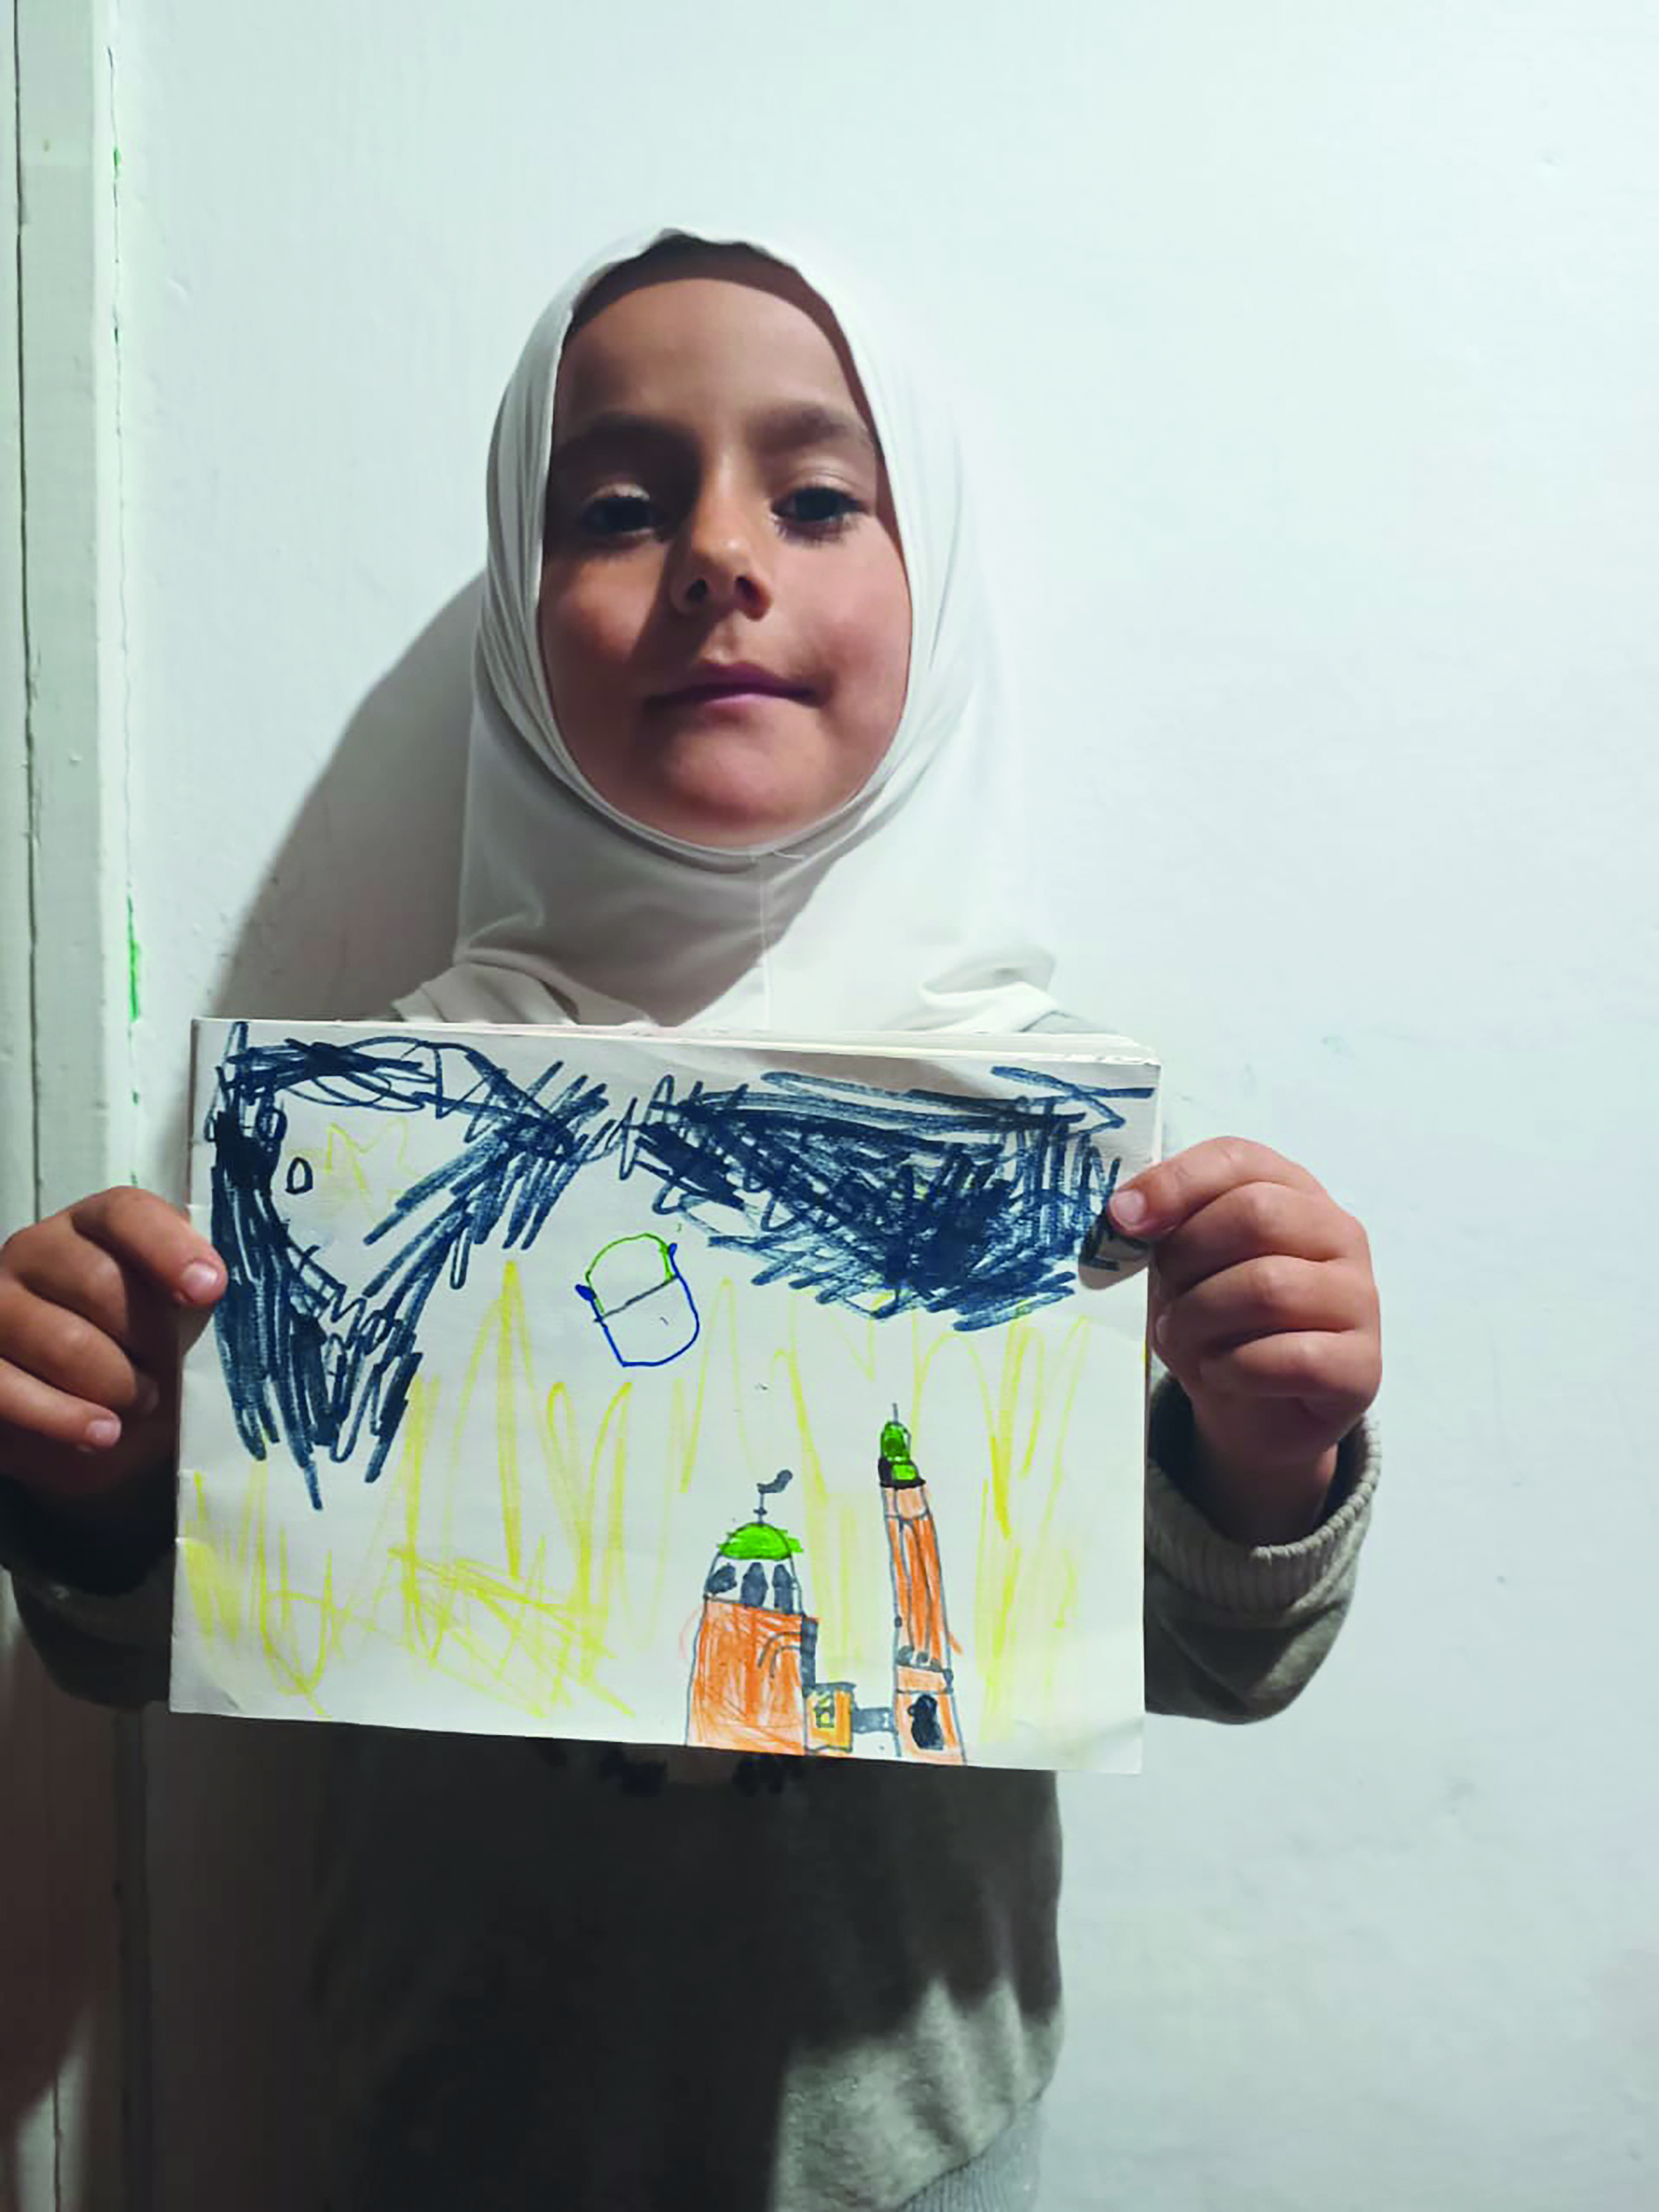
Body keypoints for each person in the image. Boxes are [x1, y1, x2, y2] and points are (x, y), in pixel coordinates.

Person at [0, 225, 1382, 2210]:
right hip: (440, 2146)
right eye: (619, 507)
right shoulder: (378, 1148)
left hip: (920, 2160)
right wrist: (105, 1480)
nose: (724, 554)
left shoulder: (1061, 1175)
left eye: (819, 498)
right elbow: (168, 1647)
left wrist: (1265, 1451)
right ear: (518, 601)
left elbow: (1214, 1662)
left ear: (939, 575)